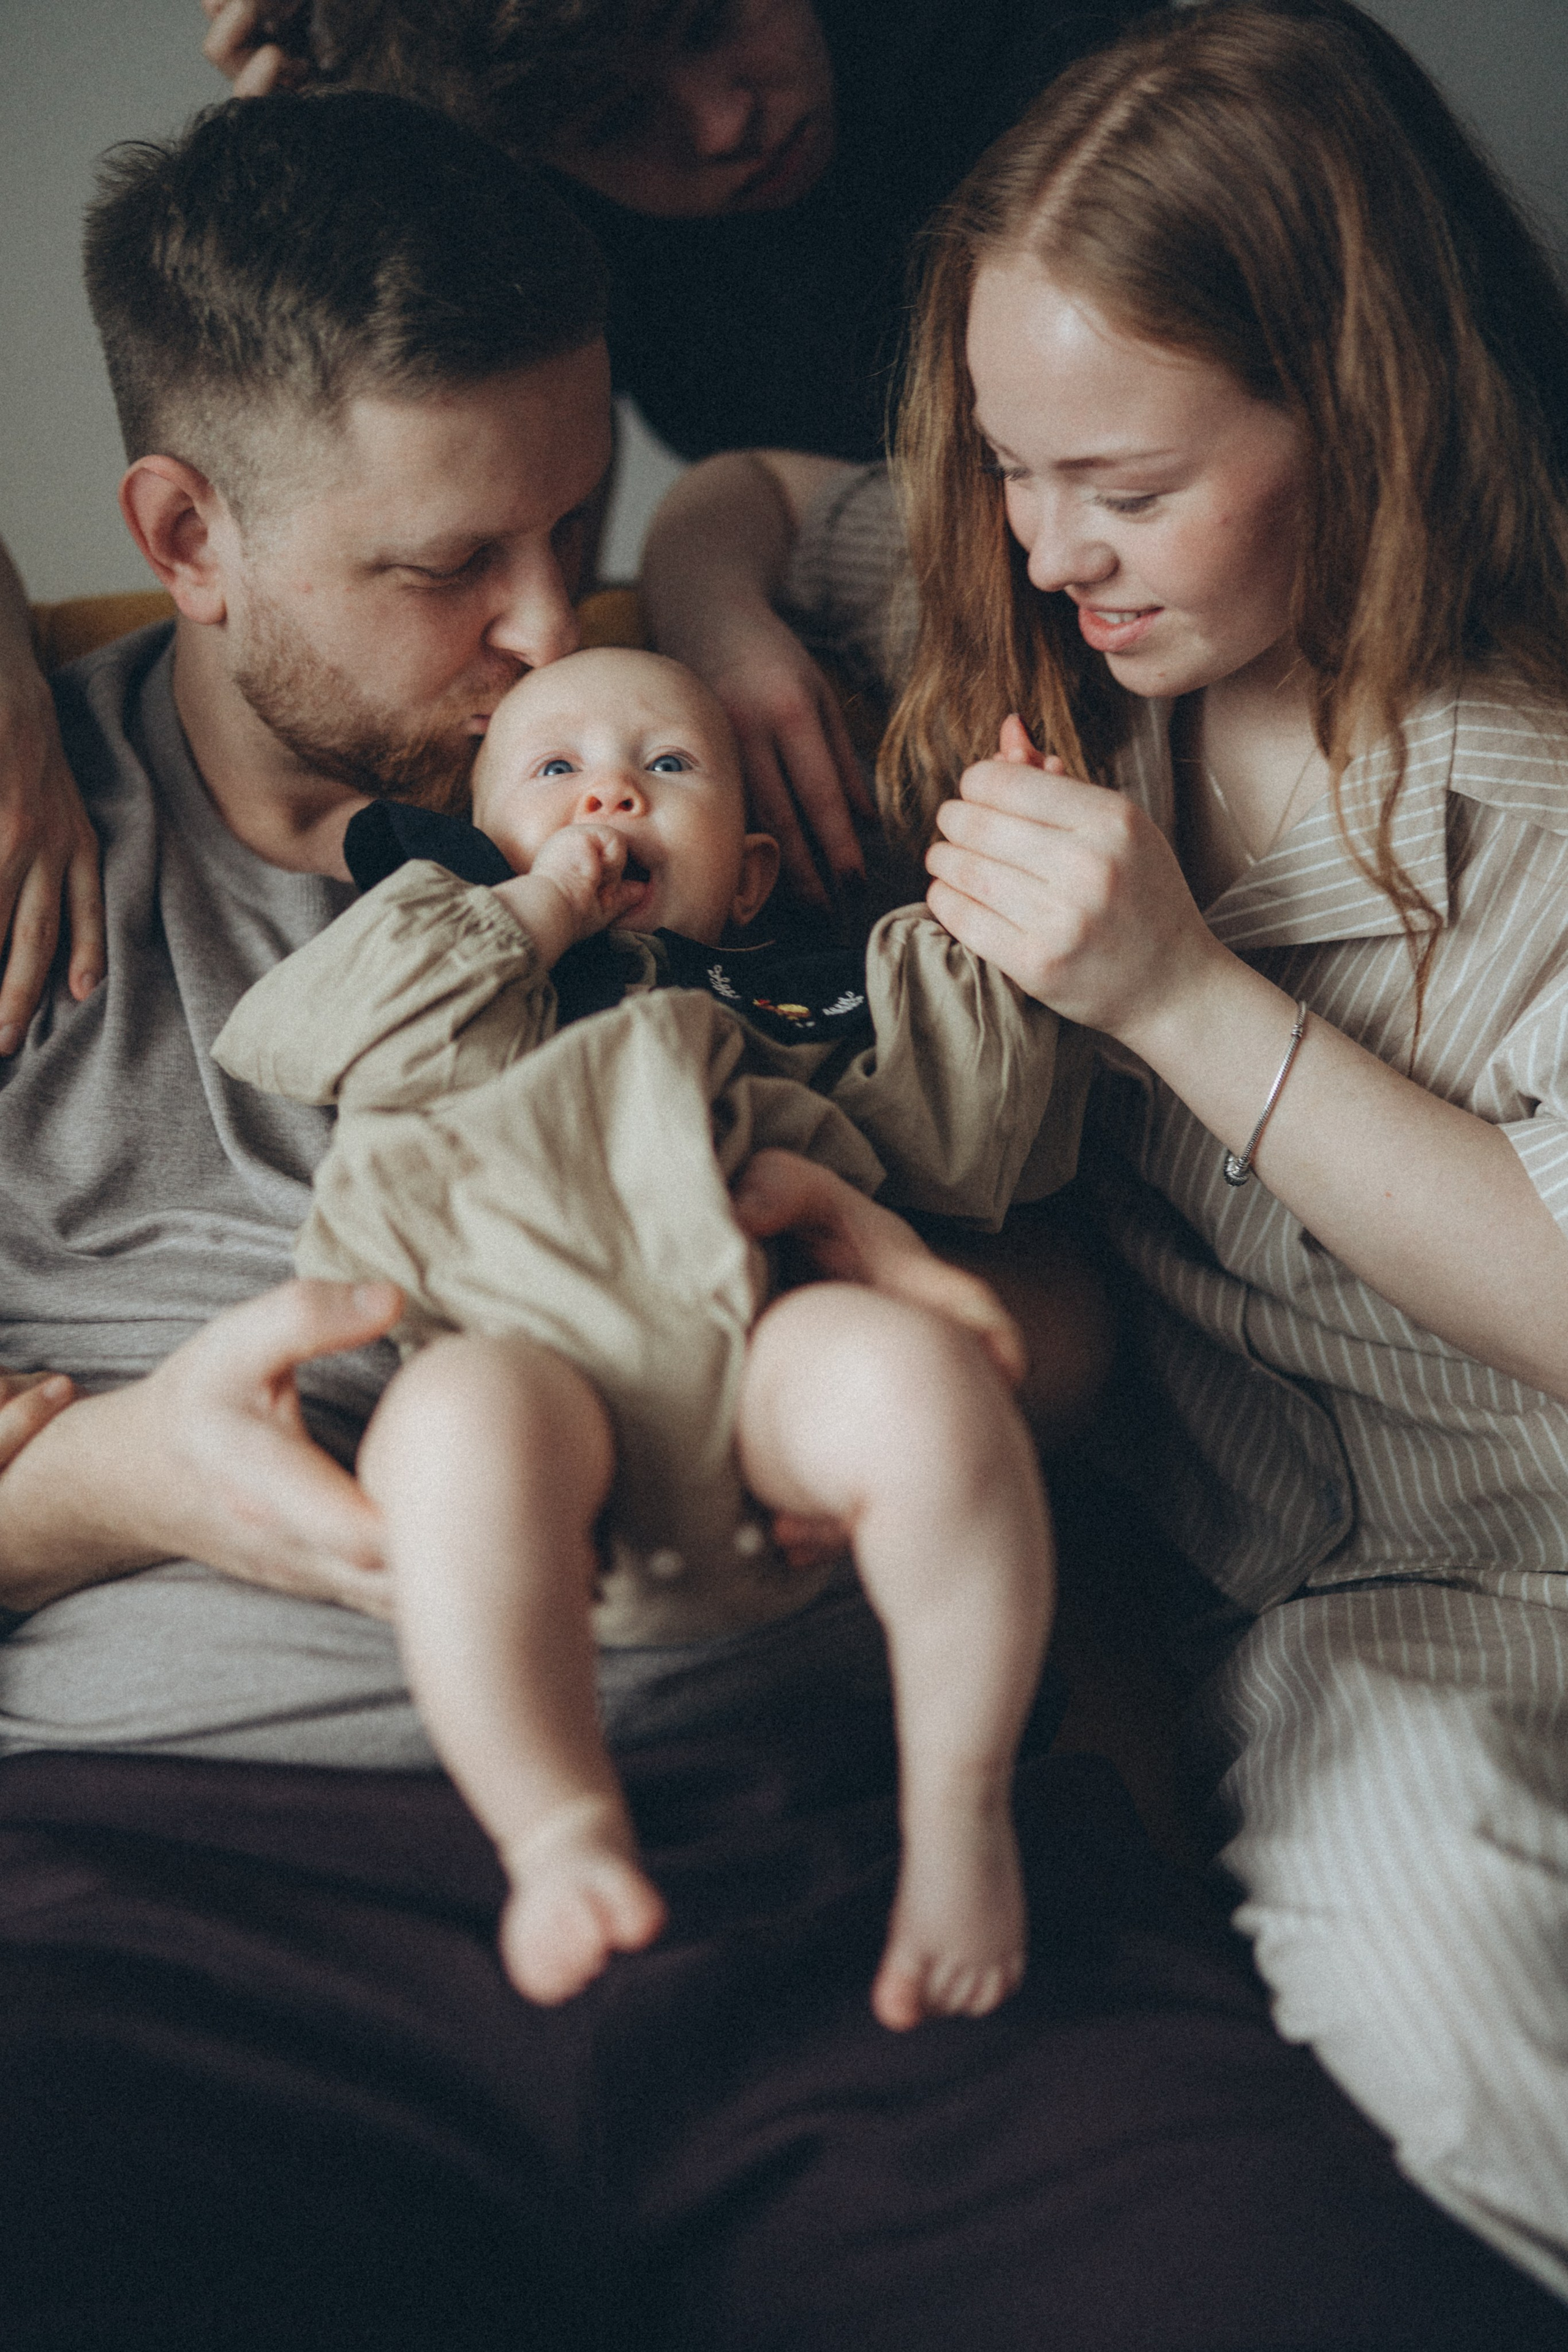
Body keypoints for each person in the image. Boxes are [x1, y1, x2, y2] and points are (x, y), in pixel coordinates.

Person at [2, 69, 1564, 2352]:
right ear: (185, 533)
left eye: (576, 520)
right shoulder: (39, 857)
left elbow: (1076, 1274)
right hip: (190, 1893)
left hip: (831, 1852)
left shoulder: (729, 788)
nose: (553, 628)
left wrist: (912, 1340)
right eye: (447, 569)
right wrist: (93, 1489)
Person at [644, 0, 1568, 2307]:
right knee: (1442, 1979)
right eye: (1005, 463)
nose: (1054, 546)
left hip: (1531, 1522)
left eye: (1127, 489)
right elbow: (735, 491)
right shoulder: (1031, 636)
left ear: (1351, 413)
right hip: (1375, 1609)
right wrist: (723, 624)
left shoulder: (1526, 791)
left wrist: (1178, 999)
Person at [213, 644, 1066, 2026]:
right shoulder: (446, 962)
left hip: (758, 1361)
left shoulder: (778, 1003)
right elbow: (295, 1036)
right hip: (530, 1368)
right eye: (555, 770)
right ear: (473, 840)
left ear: (748, 876)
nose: (610, 794)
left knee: (918, 1385)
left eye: (667, 766)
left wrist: (988, 909)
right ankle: (558, 1834)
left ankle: (961, 1810)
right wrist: (535, 904)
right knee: (451, 1432)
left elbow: (961, 1145)